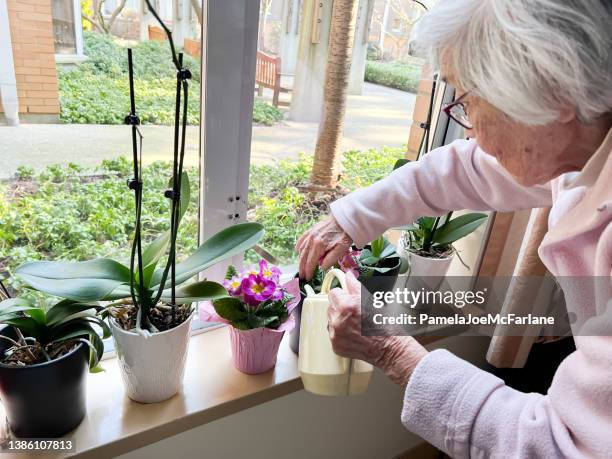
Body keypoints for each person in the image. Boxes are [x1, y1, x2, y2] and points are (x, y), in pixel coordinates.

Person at [295, 0, 612, 457]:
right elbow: (469, 169)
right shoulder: (580, 141)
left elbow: (564, 447)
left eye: (469, 97)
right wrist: (352, 216)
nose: (463, 124)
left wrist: (392, 352)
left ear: (555, 91)